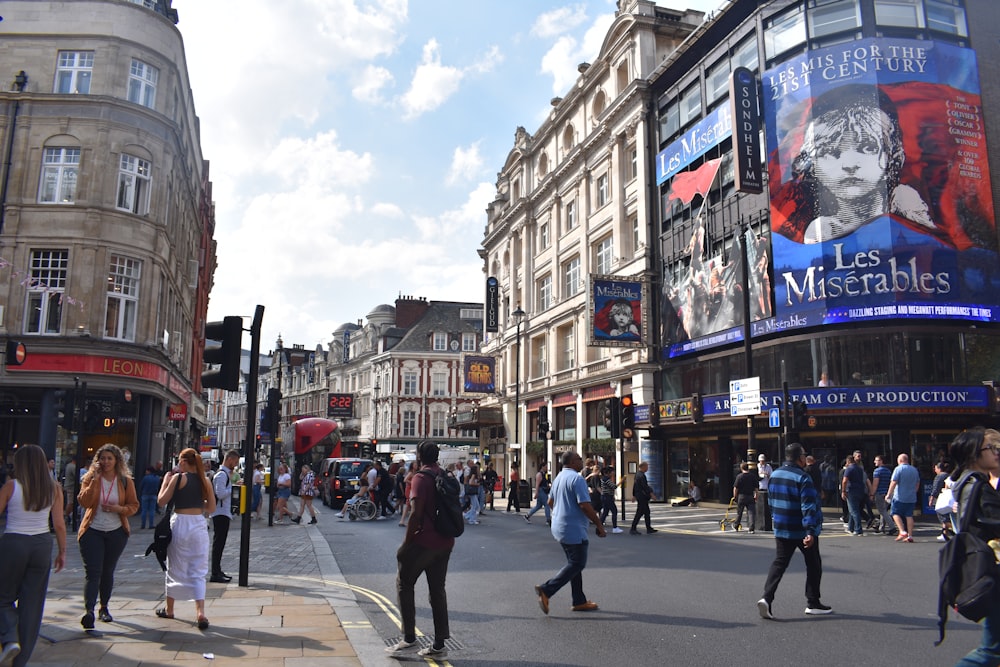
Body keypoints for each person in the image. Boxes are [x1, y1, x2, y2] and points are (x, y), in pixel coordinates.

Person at [786, 83, 934, 244]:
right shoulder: (822, 230)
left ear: (894, 158)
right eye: (831, 152)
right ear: (814, 167)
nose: (849, 164)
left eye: (867, 147)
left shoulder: (905, 201)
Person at [385, 441, 453, 660]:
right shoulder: (444, 475)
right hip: (445, 541)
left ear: (420, 456)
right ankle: (439, 645)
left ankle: (409, 638)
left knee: (404, 583)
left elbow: (415, 514)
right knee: (437, 591)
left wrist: (406, 544)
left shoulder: (420, 479)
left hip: (424, 542)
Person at [0, 445, 66, 667]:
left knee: (3, 597)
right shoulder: (54, 488)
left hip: (13, 542)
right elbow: (59, 524)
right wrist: (62, 552)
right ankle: (21, 660)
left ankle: (9, 639)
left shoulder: (11, 486)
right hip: (41, 544)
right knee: (32, 604)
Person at [756, 442, 830, 620]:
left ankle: (766, 598)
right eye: (804, 455)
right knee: (813, 564)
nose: (805, 458)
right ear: (800, 458)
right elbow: (808, 506)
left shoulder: (775, 475)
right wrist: (811, 530)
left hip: (782, 527)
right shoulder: (803, 477)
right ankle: (813, 603)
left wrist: (776, 520)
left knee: (779, 563)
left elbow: (771, 502)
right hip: (801, 529)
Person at [948, 428, 1000, 666]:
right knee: (992, 651)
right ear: (974, 454)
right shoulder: (978, 484)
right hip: (993, 570)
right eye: (990, 449)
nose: (995, 453)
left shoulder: (965, 481)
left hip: (984, 567)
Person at [534, 450, 607, 615]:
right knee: (577, 563)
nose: (582, 461)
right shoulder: (577, 478)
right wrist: (599, 524)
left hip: (559, 526)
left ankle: (579, 600)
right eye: (579, 459)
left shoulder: (558, 477)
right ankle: (547, 589)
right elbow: (584, 505)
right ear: (573, 462)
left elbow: (551, 501)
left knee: (574, 564)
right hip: (573, 528)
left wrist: (561, 512)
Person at [77, 443, 139, 629]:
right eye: (102, 458)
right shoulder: (89, 478)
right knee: (93, 572)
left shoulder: (125, 481)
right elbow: (84, 501)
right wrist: (95, 479)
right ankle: (89, 611)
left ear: (116, 460)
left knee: (107, 571)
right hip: (92, 530)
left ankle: (104, 608)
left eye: (109, 458)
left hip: (116, 532)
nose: (105, 462)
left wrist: (119, 509)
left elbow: (134, 505)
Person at [155, 448, 215, 630]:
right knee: (198, 568)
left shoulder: (177, 478)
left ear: (182, 462)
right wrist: (197, 502)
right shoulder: (205, 481)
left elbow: (161, 501)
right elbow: (211, 508)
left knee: (175, 566)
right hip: (198, 524)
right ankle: (200, 612)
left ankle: (170, 609)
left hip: (180, 522)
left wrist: (165, 483)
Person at [210, 449, 239, 583]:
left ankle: (218, 570)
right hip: (220, 513)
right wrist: (233, 488)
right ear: (229, 460)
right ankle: (215, 573)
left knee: (220, 544)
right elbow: (220, 494)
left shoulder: (225, 474)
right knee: (218, 543)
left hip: (223, 512)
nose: (236, 464)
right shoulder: (221, 475)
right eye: (235, 461)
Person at [885, 453, 921, 543]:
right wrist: (914, 491)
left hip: (899, 496)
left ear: (900, 460)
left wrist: (889, 494)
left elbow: (894, 482)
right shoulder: (914, 470)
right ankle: (910, 535)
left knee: (895, 513)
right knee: (909, 515)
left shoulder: (898, 469)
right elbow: (918, 483)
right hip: (911, 497)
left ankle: (902, 531)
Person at [841, 450, 867, 536]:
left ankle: (858, 529)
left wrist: (843, 491)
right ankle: (850, 527)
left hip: (851, 490)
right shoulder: (859, 468)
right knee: (852, 509)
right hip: (860, 490)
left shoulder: (849, 469)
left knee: (854, 511)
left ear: (848, 461)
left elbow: (844, 481)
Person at [929, 460, 955, 543]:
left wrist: (931, 499)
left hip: (942, 498)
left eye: (935, 468)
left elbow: (935, 489)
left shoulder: (939, 476)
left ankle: (954, 530)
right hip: (950, 499)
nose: (935, 470)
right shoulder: (948, 475)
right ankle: (944, 534)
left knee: (942, 516)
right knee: (947, 516)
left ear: (939, 468)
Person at [630, 461, 657, 535]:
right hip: (642, 497)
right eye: (647, 466)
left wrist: (634, 495)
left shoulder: (637, 475)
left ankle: (649, 528)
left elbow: (635, 486)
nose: (647, 468)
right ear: (643, 467)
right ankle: (633, 528)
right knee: (639, 513)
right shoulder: (641, 476)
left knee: (646, 512)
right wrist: (651, 494)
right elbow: (645, 487)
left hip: (640, 496)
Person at [870, 455, 894, 535]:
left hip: (880, 493)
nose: (874, 462)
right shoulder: (888, 471)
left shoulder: (877, 471)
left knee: (882, 510)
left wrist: (872, 494)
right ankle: (881, 527)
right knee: (884, 511)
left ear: (881, 461)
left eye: (876, 460)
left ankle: (892, 527)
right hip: (887, 493)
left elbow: (875, 484)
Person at [733, 462, 759, 533]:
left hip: (741, 496)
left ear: (741, 468)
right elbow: (756, 488)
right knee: (751, 513)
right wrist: (756, 496)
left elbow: (736, 488)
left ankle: (736, 526)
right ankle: (751, 528)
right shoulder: (752, 476)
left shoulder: (739, 476)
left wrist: (735, 496)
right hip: (750, 496)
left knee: (739, 513)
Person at [597, 467, 623, 533]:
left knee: (605, 513)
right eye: (612, 471)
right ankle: (615, 528)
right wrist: (621, 481)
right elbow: (614, 487)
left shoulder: (604, 479)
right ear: (607, 473)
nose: (613, 473)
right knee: (614, 511)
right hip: (607, 497)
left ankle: (599, 527)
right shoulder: (606, 479)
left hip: (605, 497)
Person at [757, 453, 773, 529]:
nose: (762, 462)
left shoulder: (768, 467)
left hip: (766, 486)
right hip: (760, 486)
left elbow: (772, 476)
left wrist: (767, 474)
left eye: (763, 461)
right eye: (761, 461)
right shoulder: (757, 466)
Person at [62, 459, 76, 526]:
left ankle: (67, 516)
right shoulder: (73, 467)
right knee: (70, 502)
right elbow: (76, 476)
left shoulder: (68, 465)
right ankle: (66, 516)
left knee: (70, 502)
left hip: (68, 486)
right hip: (71, 487)